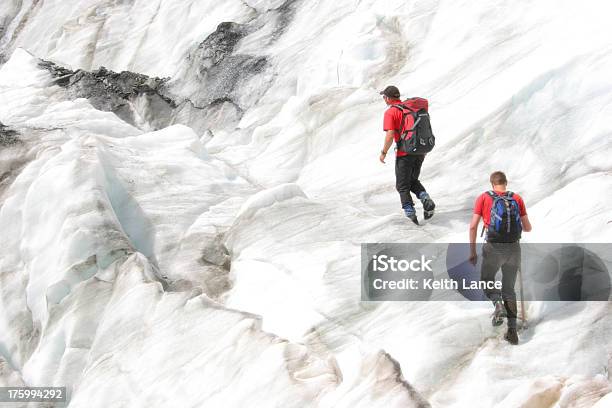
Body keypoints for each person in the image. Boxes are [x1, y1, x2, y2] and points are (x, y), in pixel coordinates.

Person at [469, 171, 532, 345]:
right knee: (509, 289)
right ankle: (512, 332)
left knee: (486, 280)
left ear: (492, 184)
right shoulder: (517, 199)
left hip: (493, 248)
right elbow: (528, 228)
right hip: (513, 249)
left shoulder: (484, 198)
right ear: (506, 182)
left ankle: (497, 305)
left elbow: (473, 227)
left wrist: (472, 251)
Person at [379, 85, 435, 225]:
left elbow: (390, 135)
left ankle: (410, 213)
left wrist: (383, 153)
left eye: (384, 97)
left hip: (405, 153)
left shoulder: (391, 112)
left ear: (387, 98)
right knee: (413, 180)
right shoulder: (411, 108)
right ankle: (425, 197)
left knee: (402, 186)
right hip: (420, 150)